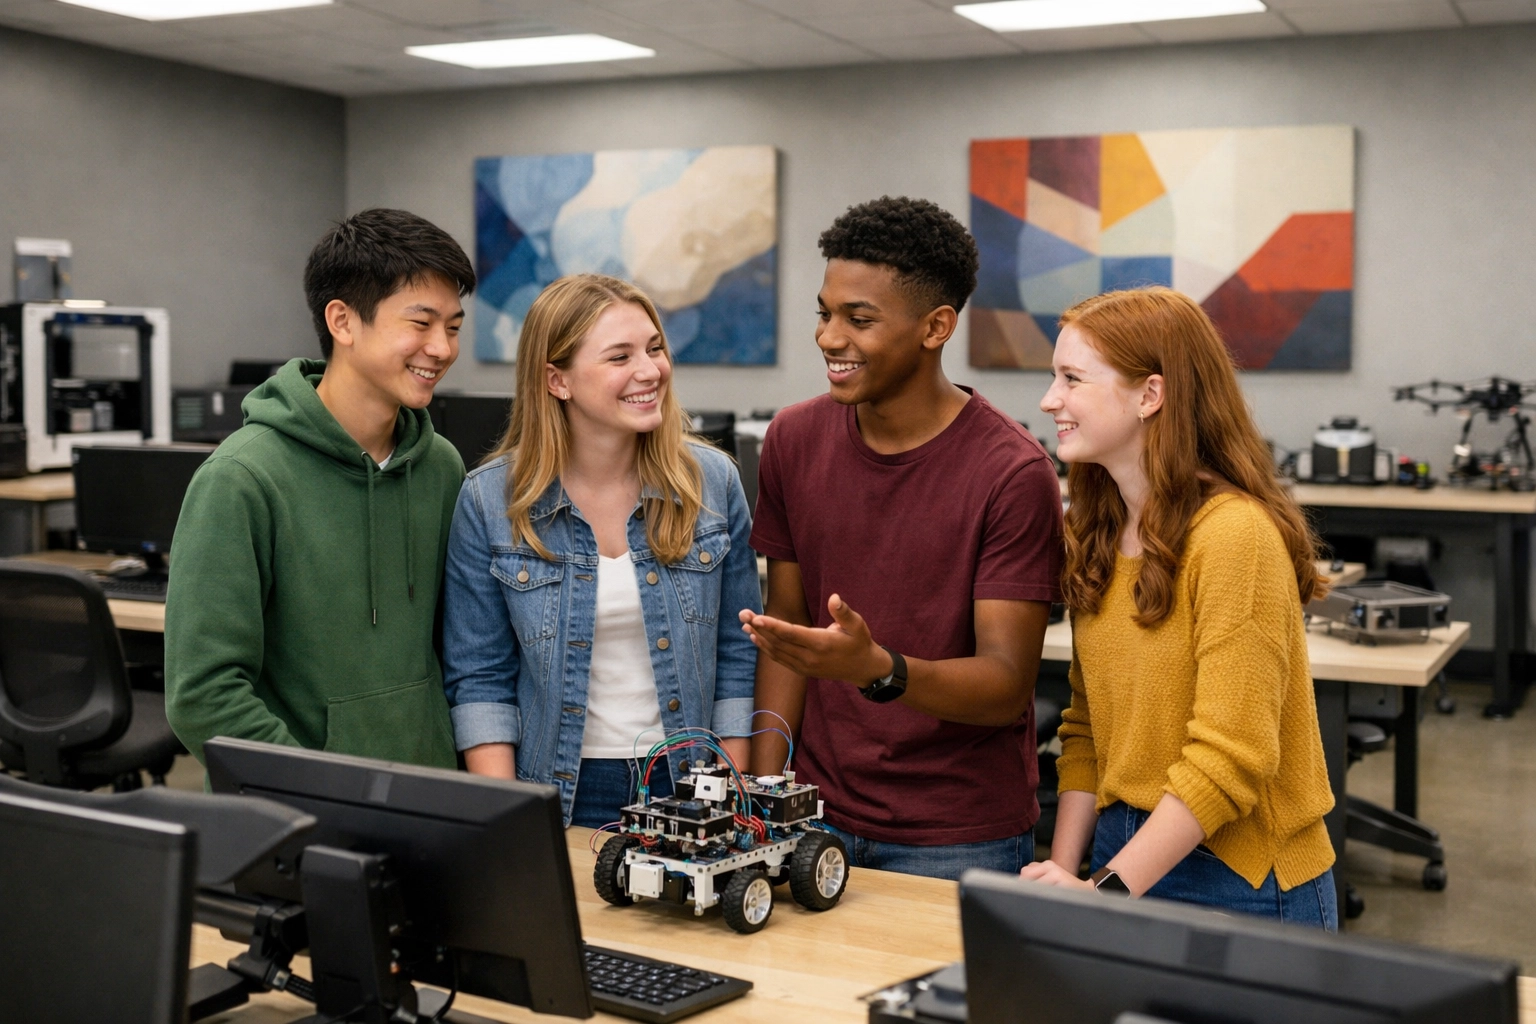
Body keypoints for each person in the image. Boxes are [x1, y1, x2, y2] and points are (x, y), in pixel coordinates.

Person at [741, 196, 1064, 880]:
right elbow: (791, 632)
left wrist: (879, 670)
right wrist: (766, 798)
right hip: (813, 815)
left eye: (859, 319)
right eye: (824, 313)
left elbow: (1007, 684)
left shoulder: (1013, 472)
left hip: (954, 835)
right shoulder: (793, 441)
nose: (830, 338)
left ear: (935, 327)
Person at [1021, 286, 1338, 930]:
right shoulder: (1098, 534)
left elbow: (1233, 755)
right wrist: (1066, 877)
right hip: (1121, 853)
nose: (1050, 400)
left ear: (1150, 395)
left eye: (1071, 379)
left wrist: (1104, 891)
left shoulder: (1234, 535)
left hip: (1240, 876)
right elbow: (1086, 731)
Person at [442, 273, 761, 828]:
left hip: (690, 781)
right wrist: (509, 823)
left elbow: (738, 655)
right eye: (620, 357)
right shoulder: (491, 500)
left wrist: (726, 795)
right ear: (557, 380)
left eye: (655, 348)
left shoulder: (712, 482)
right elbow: (479, 680)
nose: (650, 371)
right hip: (558, 791)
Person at [166, 208, 475, 769]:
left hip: (430, 799)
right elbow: (202, 697)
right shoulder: (240, 479)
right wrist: (324, 794)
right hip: (299, 822)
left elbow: (456, 651)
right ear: (343, 321)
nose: (443, 348)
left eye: (453, 327)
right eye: (420, 323)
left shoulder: (441, 468)